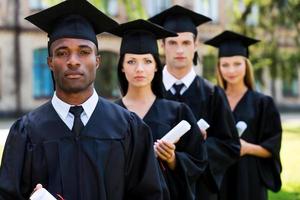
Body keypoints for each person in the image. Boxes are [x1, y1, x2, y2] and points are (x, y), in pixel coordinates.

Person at [0, 1, 164, 200]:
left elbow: (150, 195)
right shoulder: (26, 132)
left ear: (97, 61)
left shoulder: (130, 128)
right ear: (50, 62)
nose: (73, 60)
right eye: (62, 53)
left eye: (84, 52)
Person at [149, 5, 241, 200]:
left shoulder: (213, 94)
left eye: (185, 42)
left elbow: (230, 145)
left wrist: (196, 146)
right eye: (173, 43)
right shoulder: (148, 91)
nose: (180, 49)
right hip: (156, 188)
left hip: (200, 191)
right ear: (162, 45)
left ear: (196, 43)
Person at [110, 19, 207, 200]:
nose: (139, 69)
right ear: (122, 67)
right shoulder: (109, 114)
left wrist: (172, 159)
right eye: (131, 61)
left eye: (147, 61)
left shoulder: (178, 112)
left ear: (156, 66)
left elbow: (199, 161)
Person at [205, 30, 282, 200]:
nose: (231, 70)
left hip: (249, 177)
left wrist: (246, 147)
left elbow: (273, 147)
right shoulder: (212, 99)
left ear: (246, 65)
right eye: (225, 64)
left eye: (237, 64)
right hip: (218, 175)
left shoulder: (263, 103)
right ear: (218, 67)